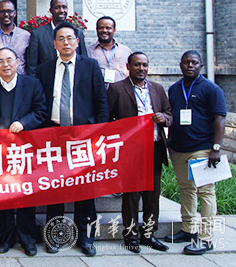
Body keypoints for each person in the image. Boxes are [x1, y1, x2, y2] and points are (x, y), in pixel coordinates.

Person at [35, 21, 108, 257]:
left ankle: (86, 239)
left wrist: (99, 133)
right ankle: (55, 237)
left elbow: (101, 101)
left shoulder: (90, 65)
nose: (66, 42)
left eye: (70, 38)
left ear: (77, 42)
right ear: (54, 44)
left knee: (85, 190)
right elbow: (40, 104)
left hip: (83, 136)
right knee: (55, 189)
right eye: (61, 39)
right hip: (54, 135)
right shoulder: (44, 69)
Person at [0, 47, 48, 257]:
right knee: (3, 195)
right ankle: (5, 239)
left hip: (25, 149)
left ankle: (28, 240)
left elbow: (41, 111)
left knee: (25, 194)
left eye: (9, 60)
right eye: (1, 61)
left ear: (18, 62)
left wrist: (24, 123)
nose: (6, 64)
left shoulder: (32, 83)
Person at [107, 52, 171, 254]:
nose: (141, 68)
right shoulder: (117, 89)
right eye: (137, 65)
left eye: (144, 65)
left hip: (154, 148)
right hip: (130, 151)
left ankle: (149, 235)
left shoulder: (157, 88)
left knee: (152, 196)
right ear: (128, 67)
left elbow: (169, 113)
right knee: (132, 196)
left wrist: (164, 118)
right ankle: (131, 236)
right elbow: (107, 119)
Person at [164, 50, 226, 255]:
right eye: (186, 62)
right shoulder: (174, 89)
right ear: (180, 65)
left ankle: (206, 238)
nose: (190, 65)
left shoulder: (211, 89)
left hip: (202, 148)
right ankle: (188, 229)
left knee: (205, 191)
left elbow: (219, 119)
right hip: (178, 149)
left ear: (201, 66)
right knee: (186, 189)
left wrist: (216, 148)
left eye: (194, 62)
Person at [27, 0, 87, 76]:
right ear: (51, 10)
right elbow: (32, 66)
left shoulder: (77, 32)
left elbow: (84, 60)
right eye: (57, 8)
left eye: (64, 7)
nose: (61, 10)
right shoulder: (38, 34)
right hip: (46, 80)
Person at [86, 16, 131, 88]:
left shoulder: (125, 51)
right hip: (96, 91)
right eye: (101, 28)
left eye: (108, 28)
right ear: (96, 30)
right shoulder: (88, 51)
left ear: (114, 30)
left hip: (120, 91)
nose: (104, 30)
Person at [0, 0, 30, 75]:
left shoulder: (25, 35)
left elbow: (30, 63)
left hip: (20, 79)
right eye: (2, 12)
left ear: (15, 13)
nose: (6, 14)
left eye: (9, 11)